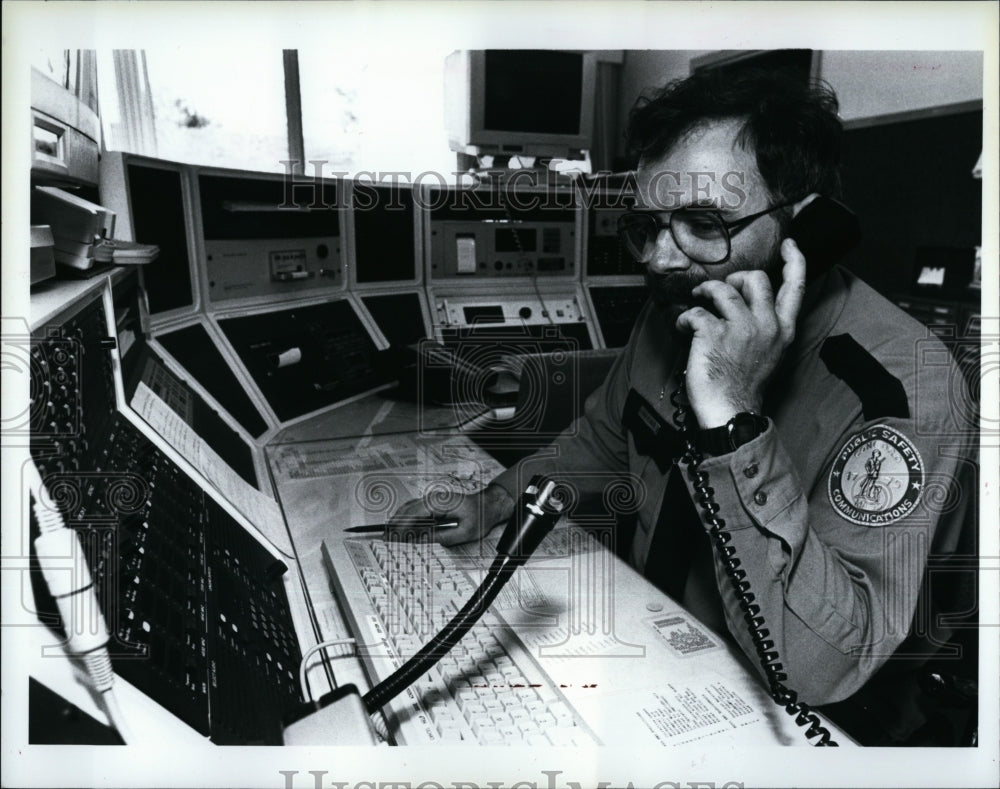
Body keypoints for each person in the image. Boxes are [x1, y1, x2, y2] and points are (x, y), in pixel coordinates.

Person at [392, 68, 977, 744]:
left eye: (704, 224)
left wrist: (734, 417)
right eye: (648, 226)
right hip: (663, 656)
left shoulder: (903, 389)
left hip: (813, 719)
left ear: (808, 230)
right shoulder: (677, 307)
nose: (663, 258)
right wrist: (494, 501)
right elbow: (600, 442)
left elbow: (821, 666)